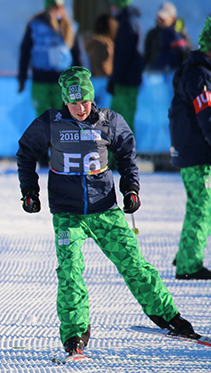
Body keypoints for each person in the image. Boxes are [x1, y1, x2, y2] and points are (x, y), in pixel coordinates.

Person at [16, 66, 200, 357]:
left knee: (134, 263)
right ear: (65, 100)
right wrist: (29, 190)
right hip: (68, 214)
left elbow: (127, 153)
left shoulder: (109, 121)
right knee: (70, 272)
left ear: (92, 98)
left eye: (85, 101)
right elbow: (25, 152)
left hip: (105, 209)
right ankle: (75, 334)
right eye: (74, 102)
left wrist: (131, 188)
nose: (80, 108)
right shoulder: (51, 122)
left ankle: (168, 316)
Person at [168, 17, 211, 280]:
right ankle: (189, 265)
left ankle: (186, 252)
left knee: (201, 204)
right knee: (202, 205)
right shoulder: (200, 74)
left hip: (195, 149)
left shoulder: (199, 70)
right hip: (196, 151)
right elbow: (207, 116)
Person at [17, 0, 86, 116]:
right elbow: (25, 52)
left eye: (60, 7)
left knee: (63, 115)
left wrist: (81, 79)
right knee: (43, 115)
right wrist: (22, 77)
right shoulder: (35, 26)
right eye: (54, 7)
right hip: (41, 79)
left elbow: (77, 54)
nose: (57, 10)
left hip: (63, 81)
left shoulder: (69, 27)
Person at [107, 0, 143, 132]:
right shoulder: (133, 22)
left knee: (119, 121)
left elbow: (123, 55)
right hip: (130, 81)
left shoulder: (127, 24)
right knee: (125, 121)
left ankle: (121, 152)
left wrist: (114, 79)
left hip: (125, 83)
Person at [143, 2, 191, 72]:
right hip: (155, 75)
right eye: (158, 17)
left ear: (173, 18)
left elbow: (188, 55)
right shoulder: (152, 34)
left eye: (163, 19)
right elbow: (146, 56)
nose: (159, 21)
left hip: (174, 75)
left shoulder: (181, 35)